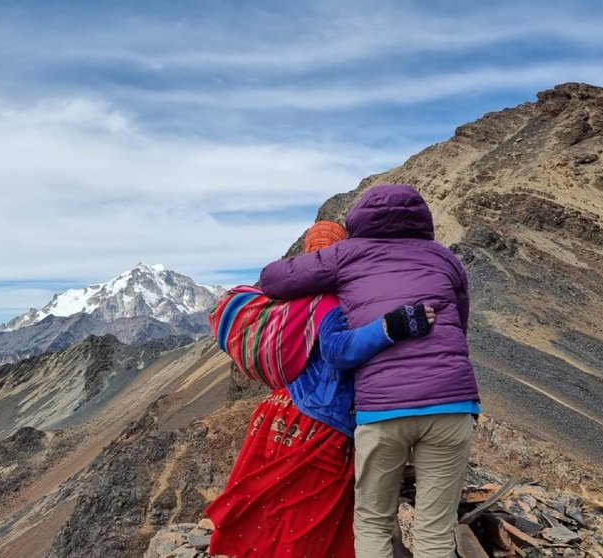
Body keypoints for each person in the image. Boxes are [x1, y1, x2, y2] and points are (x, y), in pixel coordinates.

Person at [259, 185, 480, 558]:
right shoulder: (444, 259)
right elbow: (460, 322)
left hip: (383, 410)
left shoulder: (347, 254)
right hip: (452, 404)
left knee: (374, 521)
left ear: (360, 219)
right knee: (435, 529)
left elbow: (273, 279)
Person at [206, 220, 434, 558]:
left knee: (269, 504)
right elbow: (339, 353)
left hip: (276, 412)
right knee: (306, 514)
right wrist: (393, 327)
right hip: (319, 422)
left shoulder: (291, 300)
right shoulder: (336, 301)